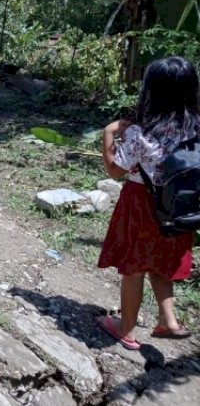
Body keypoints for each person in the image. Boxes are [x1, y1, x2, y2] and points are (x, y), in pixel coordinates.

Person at [97, 56, 197, 350]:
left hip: (142, 204)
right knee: (162, 262)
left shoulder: (141, 133)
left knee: (134, 267)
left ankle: (125, 328)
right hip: (182, 206)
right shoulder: (196, 129)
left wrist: (109, 135)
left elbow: (115, 170)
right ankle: (169, 321)